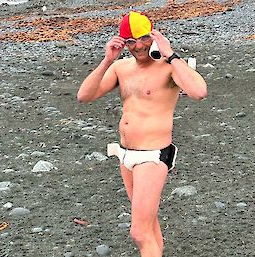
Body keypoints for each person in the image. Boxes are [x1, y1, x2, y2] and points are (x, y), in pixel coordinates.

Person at [77, 11, 207, 257]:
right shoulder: (121, 68)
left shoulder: (169, 68)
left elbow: (199, 92)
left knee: (138, 232)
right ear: (124, 43)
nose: (139, 46)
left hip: (153, 155)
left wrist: (170, 54)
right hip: (126, 155)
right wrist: (106, 60)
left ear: (154, 36)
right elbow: (84, 96)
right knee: (149, 225)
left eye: (144, 38)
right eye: (131, 41)